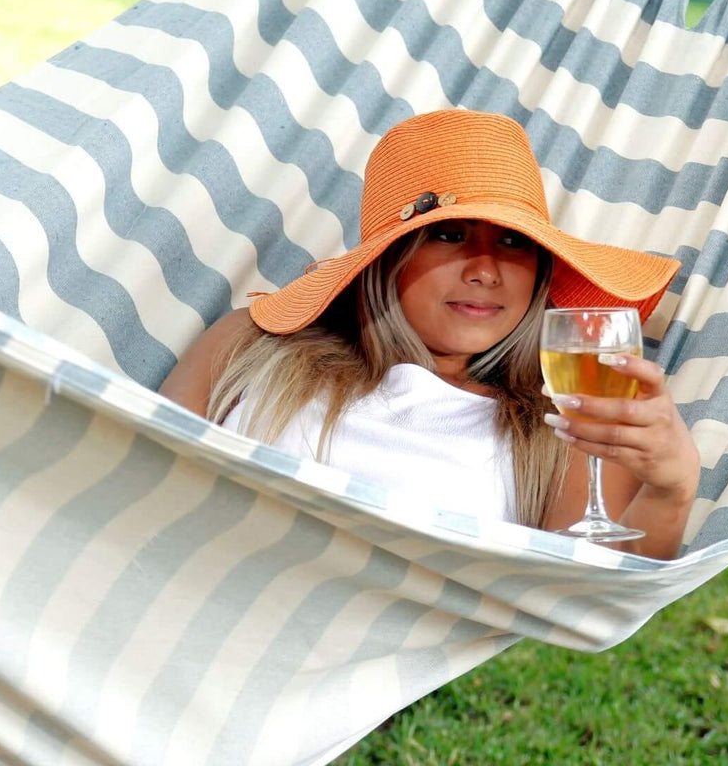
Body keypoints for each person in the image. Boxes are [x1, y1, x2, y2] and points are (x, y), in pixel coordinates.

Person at [162, 109, 700, 559]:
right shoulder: (255, 347)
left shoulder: (553, 424)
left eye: (514, 242)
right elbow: (139, 471)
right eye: (448, 234)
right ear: (385, 259)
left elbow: (595, 594)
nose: (486, 270)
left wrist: (672, 488)